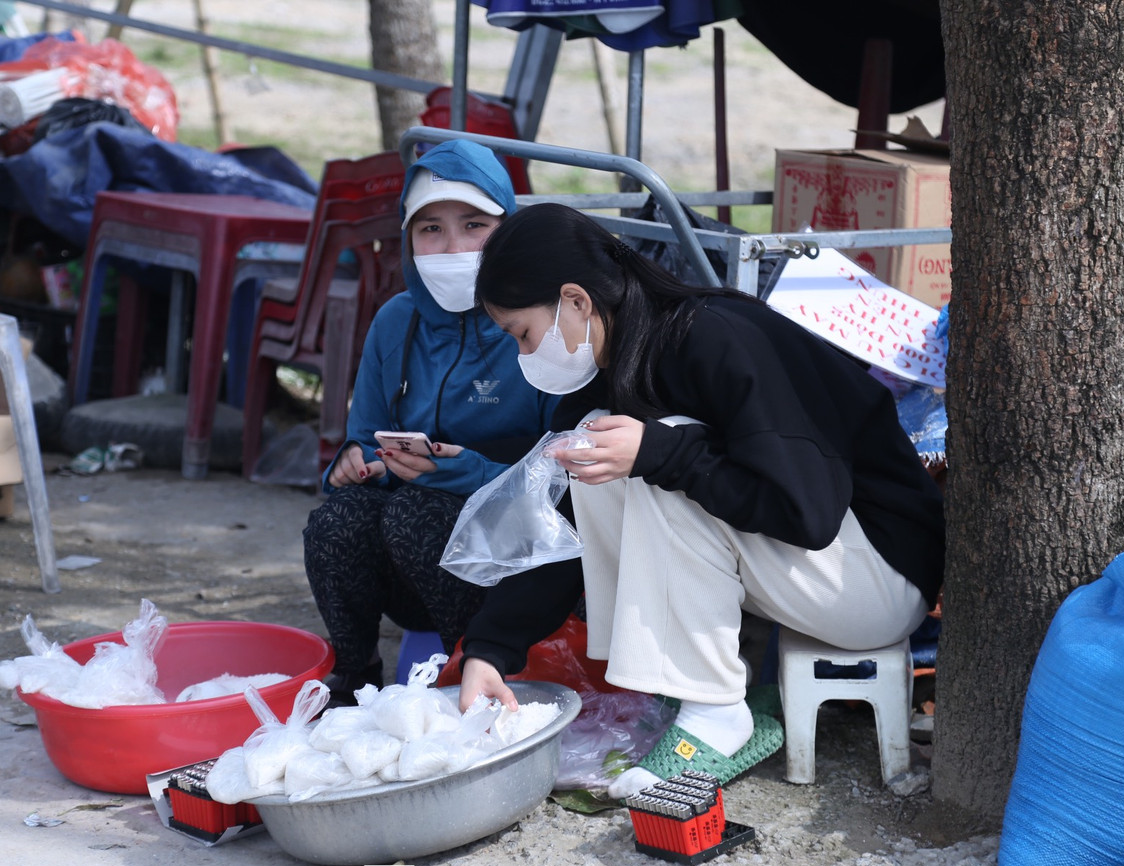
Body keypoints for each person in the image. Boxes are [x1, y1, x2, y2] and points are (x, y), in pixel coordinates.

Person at [458, 202, 945, 797]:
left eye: (524, 335)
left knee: (647, 463)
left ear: (576, 301)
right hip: (818, 569)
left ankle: (715, 710)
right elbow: (568, 527)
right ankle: (684, 690)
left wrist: (665, 453)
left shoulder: (718, 339)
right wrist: (490, 650)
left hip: (877, 576)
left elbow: (810, 514)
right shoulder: (619, 368)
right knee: (602, 450)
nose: (524, 355)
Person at [303, 140, 560, 706]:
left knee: (417, 512)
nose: (452, 248)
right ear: (406, 239)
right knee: (336, 522)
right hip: (411, 569)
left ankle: (474, 670)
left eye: (474, 225)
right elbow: (363, 434)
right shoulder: (396, 321)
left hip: (527, 572)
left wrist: (464, 473)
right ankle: (354, 680)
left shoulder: (543, 323)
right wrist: (355, 463)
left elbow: (563, 482)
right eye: (430, 229)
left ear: (508, 228)